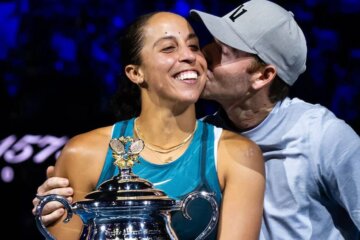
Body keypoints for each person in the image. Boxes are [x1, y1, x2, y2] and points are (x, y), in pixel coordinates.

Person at [33, 0, 360, 239]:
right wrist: (58, 209)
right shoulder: (209, 134)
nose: (201, 55)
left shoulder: (325, 138)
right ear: (134, 73)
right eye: (210, 43)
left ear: (262, 75)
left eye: (224, 51)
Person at [32, 11, 265, 240]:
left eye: (193, 46)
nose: (189, 56)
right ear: (135, 73)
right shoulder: (83, 153)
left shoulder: (238, 154)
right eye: (168, 48)